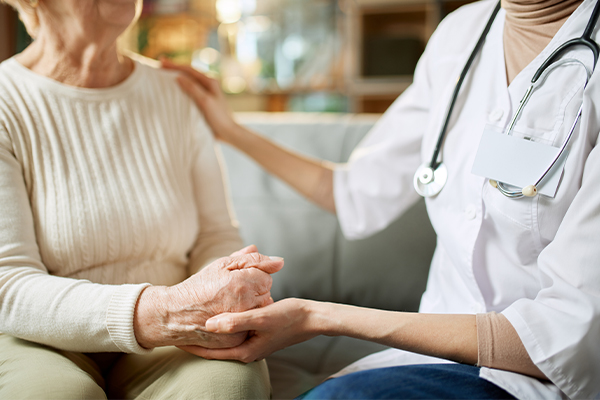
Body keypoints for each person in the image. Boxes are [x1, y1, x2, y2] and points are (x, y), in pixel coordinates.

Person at [163, 0, 600, 398]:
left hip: (543, 378)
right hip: (435, 360)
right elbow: (354, 192)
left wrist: (319, 318)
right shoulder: (461, 34)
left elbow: (566, 336)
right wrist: (231, 130)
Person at [0, 0, 283, 398]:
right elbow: (7, 283)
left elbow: (215, 236)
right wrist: (164, 312)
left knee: (230, 386)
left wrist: (223, 296)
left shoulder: (178, 92)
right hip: (38, 336)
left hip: (175, 331)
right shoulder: (6, 100)